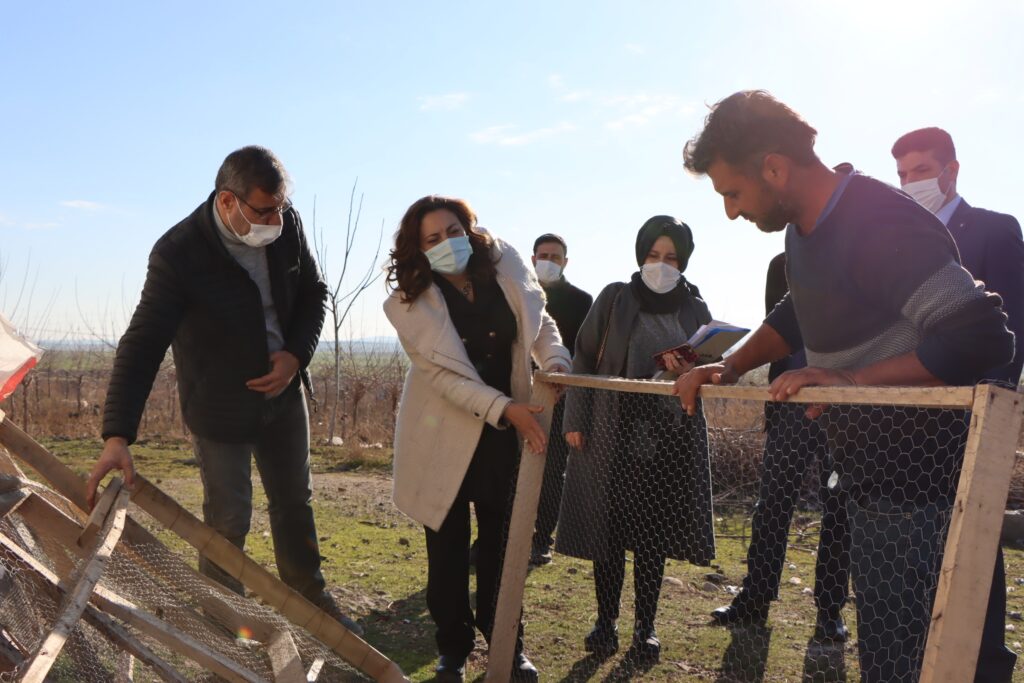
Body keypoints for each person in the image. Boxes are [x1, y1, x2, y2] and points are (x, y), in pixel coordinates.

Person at [675, 90, 1012, 683]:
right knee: (887, 661)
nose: (730, 211)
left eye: (732, 192)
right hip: (874, 489)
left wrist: (850, 379)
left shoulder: (876, 220)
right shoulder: (805, 231)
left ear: (774, 168)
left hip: (929, 497)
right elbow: (795, 313)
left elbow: (981, 337)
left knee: (939, 665)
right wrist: (726, 366)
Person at [85, 146, 360, 631]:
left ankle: (312, 600)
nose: (275, 219)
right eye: (264, 210)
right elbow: (143, 343)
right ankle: (222, 625)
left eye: (281, 206)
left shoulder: (285, 225)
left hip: (284, 394)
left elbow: (315, 291)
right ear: (227, 201)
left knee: (295, 501)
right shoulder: (178, 254)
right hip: (218, 407)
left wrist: (296, 355)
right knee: (227, 521)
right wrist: (117, 435)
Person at [383, 195, 571, 683]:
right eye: (432, 239)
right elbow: (446, 380)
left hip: (501, 437)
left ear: (469, 229)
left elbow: (539, 321)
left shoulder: (504, 268)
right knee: (446, 551)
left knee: (501, 547)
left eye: (452, 231)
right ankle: (452, 650)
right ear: (418, 251)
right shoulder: (411, 303)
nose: (446, 243)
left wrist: (555, 362)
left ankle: (507, 643)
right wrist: (503, 407)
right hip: (443, 434)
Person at [893, 126, 1023, 681]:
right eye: (901, 175)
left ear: (951, 170)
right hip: (911, 419)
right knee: (919, 541)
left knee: (974, 542)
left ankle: (987, 665)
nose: (910, 183)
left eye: (920, 171)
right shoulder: (900, 243)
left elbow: (1015, 322)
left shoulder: (995, 231)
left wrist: (988, 404)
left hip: (975, 415)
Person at [557, 216, 716, 664]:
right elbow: (583, 355)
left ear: (683, 261)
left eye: (670, 258)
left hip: (670, 437)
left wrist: (702, 363)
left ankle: (645, 627)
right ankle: (604, 622)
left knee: (653, 537)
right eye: (653, 255)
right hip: (614, 431)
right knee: (608, 532)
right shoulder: (614, 298)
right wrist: (577, 415)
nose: (660, 265)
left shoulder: (694, 305)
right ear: (640, 255)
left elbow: (708, 358)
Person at [710, 252, 850, 642]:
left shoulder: (854, 259)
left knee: (838, 506)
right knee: (772, 502)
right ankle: (755, 597)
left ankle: (830, 610)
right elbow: (776, 328)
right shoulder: (781, 264)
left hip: (840, 406)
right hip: (787, 404)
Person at [529, 233, 593, 566]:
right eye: (543, 255)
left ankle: (541, 540)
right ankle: (499, 538)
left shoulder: (582, 302)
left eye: (555, 257)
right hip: (518, 395)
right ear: (532, 259)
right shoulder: (519, 297)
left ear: (566, 262)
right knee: (510, 470)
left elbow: (585, 353)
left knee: (553, 470)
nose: (549, 261)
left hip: (561, 398)